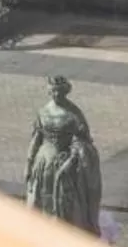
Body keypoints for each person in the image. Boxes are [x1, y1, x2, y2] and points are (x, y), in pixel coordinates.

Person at [24, 73, 104, 235]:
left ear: (65, 92)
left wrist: (71, 160)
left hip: (63, 166)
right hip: (42, 162)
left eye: (59, 92)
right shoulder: (43, 111)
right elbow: (36, 138)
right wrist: (29, 163)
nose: (55, 95)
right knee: (41, 199)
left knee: (63, 204)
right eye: (53, 92)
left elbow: (82, 143)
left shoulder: (74, 114)